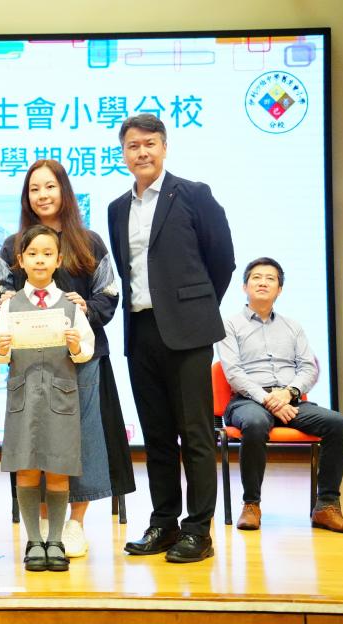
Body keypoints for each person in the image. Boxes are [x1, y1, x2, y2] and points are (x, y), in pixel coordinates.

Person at [106, 113, 235, 564]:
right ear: (123, 154)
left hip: (188, 332)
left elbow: (222, 260)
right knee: (157, 434)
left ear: (164, 147)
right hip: (140, 330)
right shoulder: (117, 208)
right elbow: (127, 269)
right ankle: (163, 523)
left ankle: (198, 531)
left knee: (195, 434)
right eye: (132, 146)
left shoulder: (194, 194)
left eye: (149, 143)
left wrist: (195, 309)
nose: (141, 152)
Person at [0, 159, 135, 559]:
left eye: (50, 186)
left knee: (82, 438)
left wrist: (85, 308)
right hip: (30, 360)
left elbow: (109, 293)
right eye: (34, 188)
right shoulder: (12, 244)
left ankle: (75, 524)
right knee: (35, 438)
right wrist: (5, 300)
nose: (43, 195)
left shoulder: (89, 241)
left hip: (82, 358)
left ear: (64, 191)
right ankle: (41, 525)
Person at [218, 257, 343, 533]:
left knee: (337, 424)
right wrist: (269, 399)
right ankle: (251, 505)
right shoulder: (229, 325)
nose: (263, 282)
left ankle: (326, 506)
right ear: (245, 286)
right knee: (255, 423)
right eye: (256, 277)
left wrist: (289, 392)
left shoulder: (293, 326)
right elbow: (233, 373)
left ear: (279, 289)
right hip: (247, 401)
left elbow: (308, 368)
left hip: (289, 400)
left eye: (270, 278)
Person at [0, 224, 94, 572]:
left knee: (59, 470)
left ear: (58, 260)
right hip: (24, 398)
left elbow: (86, 350)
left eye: (47, 254)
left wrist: (76, 346)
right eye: (32, 254)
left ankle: (56, 541)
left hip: (60, 398)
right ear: (20, 260)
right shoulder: (10, 305)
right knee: (27, 470)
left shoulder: (70, 305)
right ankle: (34, 540)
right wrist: (2, 348)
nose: (39, 260)